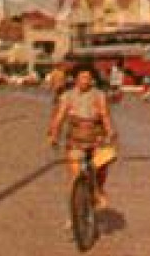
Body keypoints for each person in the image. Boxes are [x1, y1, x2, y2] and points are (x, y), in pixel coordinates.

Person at [46, 66, 118, 209]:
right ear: (76, 79)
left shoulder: (99, 95)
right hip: (75, 140)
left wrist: (110, 131)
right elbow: (59, 117)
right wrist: (54, 135)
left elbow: (105, 115)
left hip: (97, 138)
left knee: (101, 166)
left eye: (88, 78)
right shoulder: (67, 96)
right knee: (75, 175)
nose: (85, 81)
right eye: (82, 78)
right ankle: (74, 214)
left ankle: (98, 192)